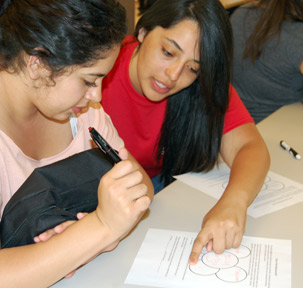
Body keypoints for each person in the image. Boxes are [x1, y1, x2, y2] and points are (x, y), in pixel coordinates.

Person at [0, 0, 153, 287]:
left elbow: (139, 185)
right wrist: (99, 228)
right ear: (37, 63)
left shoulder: (77, 109)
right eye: (89, 80)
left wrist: (71, 241)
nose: (97, 96)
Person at [100, 0, 271, 264]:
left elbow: (250, 147)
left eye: (193, 68)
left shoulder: (201, 86)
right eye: (168, 52)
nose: (172, 74)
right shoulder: (100, 72)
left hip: (159, 197)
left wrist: (234, 202)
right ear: (143, 32)